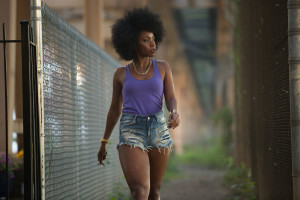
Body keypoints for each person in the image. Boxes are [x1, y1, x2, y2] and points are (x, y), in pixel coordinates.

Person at [97, 7, 180, 200]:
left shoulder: (163, 67)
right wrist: (104, 142)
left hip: (158, 128)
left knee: (154, 191)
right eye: (146, 40)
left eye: (153, 39)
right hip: (131, 130)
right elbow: (114, 109)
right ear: (134, 43)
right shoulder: (120, 74)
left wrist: (174, 111)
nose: (153, 44)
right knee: (139, 190)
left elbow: (171, 97)